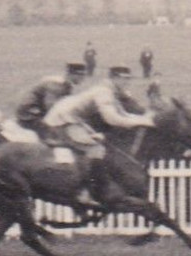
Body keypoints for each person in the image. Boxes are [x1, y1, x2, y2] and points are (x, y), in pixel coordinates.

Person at [41, 65, 158, 205]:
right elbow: (112, 119)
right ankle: (83, 192)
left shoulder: (109, 91)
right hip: (62, 120)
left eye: (128, 79)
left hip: (72, 119)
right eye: (124, 79)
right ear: (114, 78)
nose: (127, 82)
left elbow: (123, 114)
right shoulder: (104, 93)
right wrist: (143, 121)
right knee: (95, 149)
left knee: (97, 143)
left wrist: (145, 119)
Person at [15, 63, 89, 135]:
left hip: (40, 111)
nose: (83, 78)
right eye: (80, 75)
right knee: (55, 134)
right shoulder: (56, 85)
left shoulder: (66, 85)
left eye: (83, 75)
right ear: (71, 74)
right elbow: (51, 107)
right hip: (30, 115)